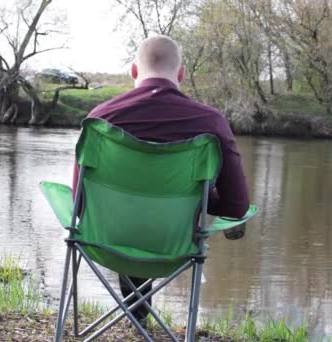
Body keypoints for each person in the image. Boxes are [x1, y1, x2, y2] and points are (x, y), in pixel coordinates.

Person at [72, 35, 250, 326]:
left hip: (106, 243)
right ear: (180, 74)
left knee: (130, 216)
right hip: (176, 249)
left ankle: (136, 317)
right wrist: (197, 198)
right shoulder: (211, 123)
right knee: (151, 218)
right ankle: (140, 316)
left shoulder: (100, 119)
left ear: (133, 71)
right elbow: (236, 206)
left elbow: (79, 204)